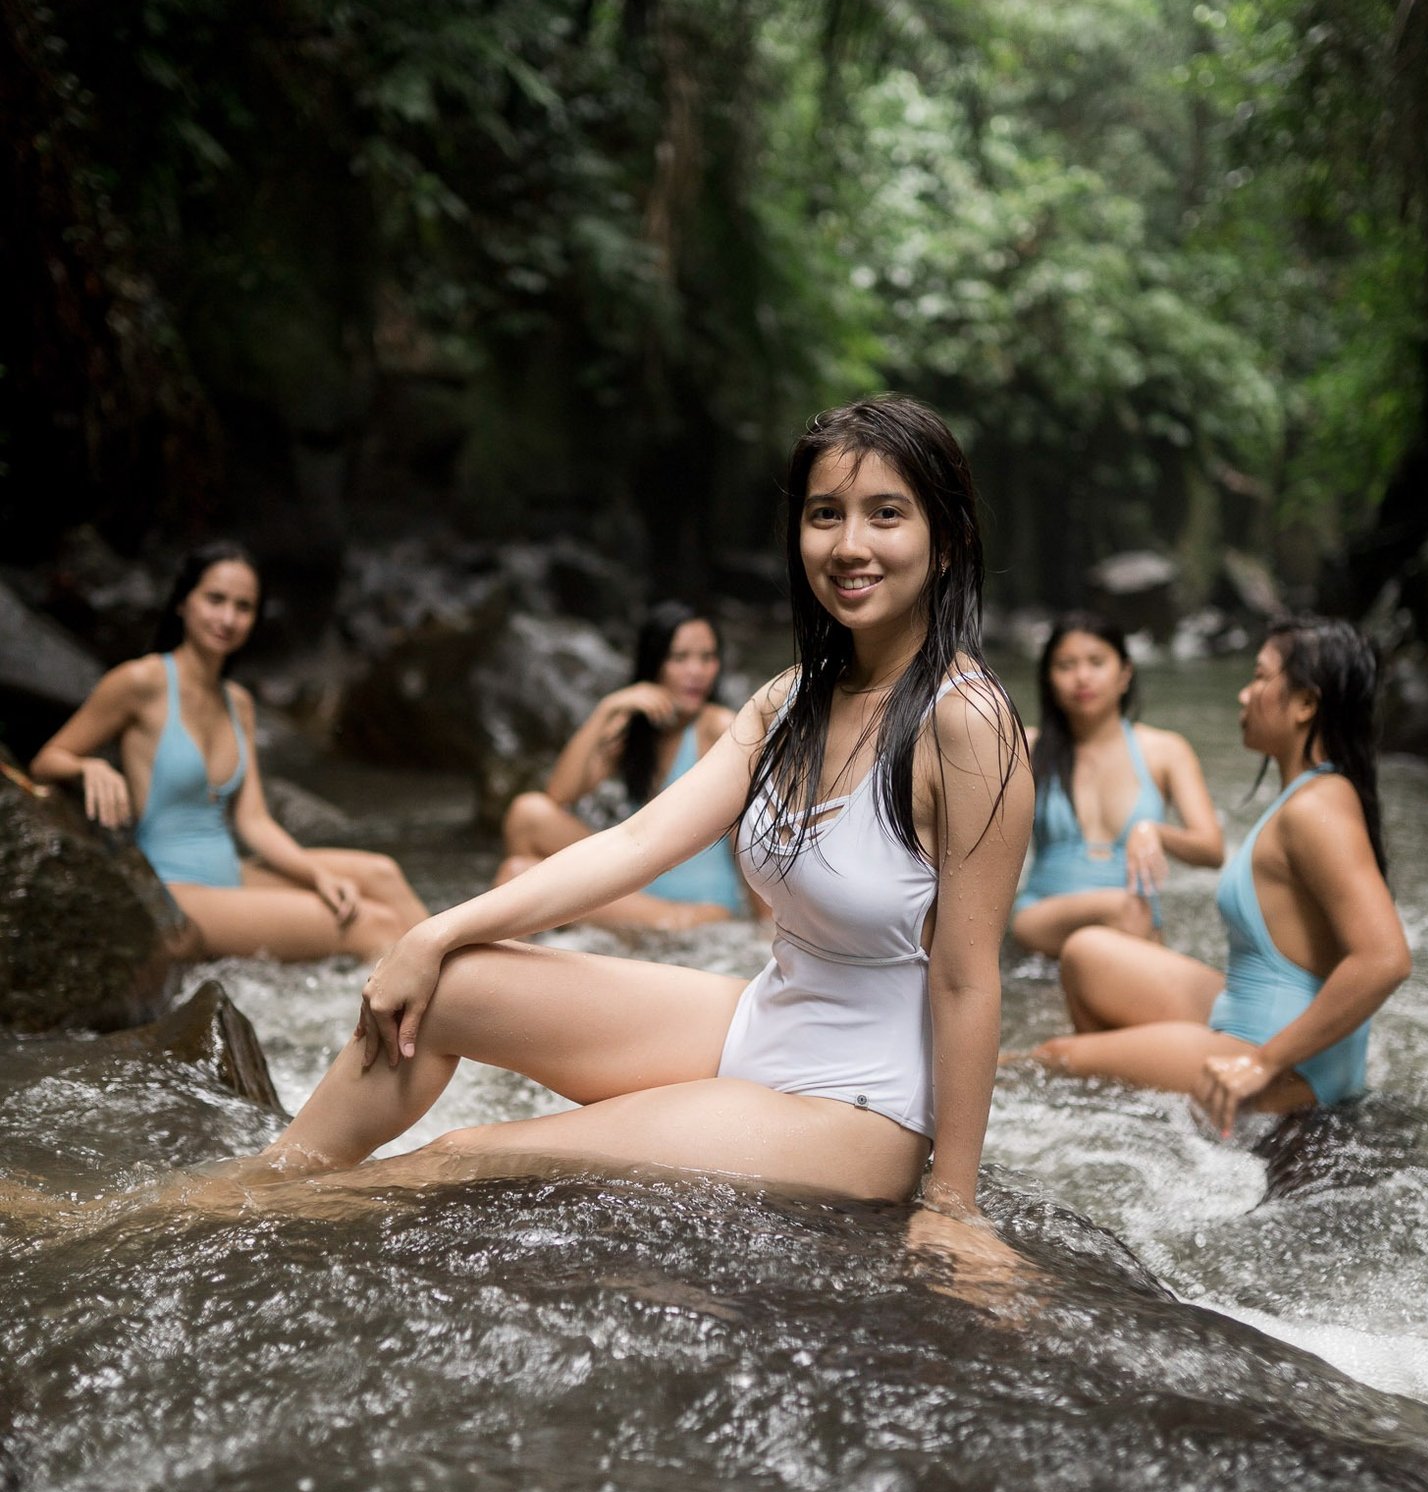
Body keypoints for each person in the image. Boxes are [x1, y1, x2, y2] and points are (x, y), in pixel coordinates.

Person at [21, 398, 1028, 1279]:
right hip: (764, 1024)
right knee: (445, 988)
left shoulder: (966, 723)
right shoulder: (791, 701)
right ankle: (270, 1181)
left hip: (864, 1106)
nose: (850, 545)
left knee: (464, 1158)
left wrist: (954, 1204)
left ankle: (167, 1225)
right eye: (825, 514)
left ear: (944, 537)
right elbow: (630, 844)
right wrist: (435, 933)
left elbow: (967, 981)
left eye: (885, 513)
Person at [1019, 616, 1411, 1132]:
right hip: (1245, 1008)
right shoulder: (1309, 794)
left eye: (1260, 678)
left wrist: (1262, 1063)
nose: (1243, 696)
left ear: (1305, 704)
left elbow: (1386, 959)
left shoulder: (1319, 807)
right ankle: (1148, 1112)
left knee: (1051, 1059)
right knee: (1089, 955)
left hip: (1284, 1057)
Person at [31, 541, 429, 963]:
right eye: (215, 599)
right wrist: (87, 767)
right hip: (176, 891)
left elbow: (253, 820)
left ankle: (469, 981)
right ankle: (436, 1018)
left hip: (232, 873)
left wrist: (317, 875)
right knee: (374, 926)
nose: (228, 618)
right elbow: (45, 761)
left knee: (382, 874)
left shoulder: (237, 701)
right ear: (184, 602)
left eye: (243, 607)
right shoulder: (139, 683)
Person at [495, 602, 757, 930]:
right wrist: (607, 709)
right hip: (637, 888)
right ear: (654, 664)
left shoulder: (719, 728)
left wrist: (768, 926)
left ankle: (517, 962)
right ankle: (549, 946)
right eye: (680, 658)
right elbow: (559, 794)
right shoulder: (637, 730)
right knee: (527, 814)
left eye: (707, 657)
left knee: (519, 874)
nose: (697, 672)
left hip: (693, 915)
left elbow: (755, 832)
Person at [1011, 613, 1223, 957]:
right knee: (1126, 909)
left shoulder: (1165, 751)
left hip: (1130, 918)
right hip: (1044, 916)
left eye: (1096, 662)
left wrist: (1155, 831)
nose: (1082, 677)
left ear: (1124, 674)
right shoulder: (1026, 748)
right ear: (1049, 680)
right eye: (1066, 665)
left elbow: (1212, 851)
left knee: (1128, 912)